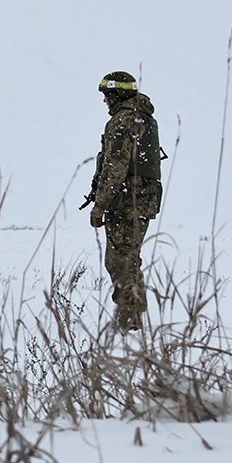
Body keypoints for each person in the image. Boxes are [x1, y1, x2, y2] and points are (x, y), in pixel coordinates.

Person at [88, 72, 163, 332]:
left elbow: (114, 169)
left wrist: (100, 206)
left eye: (108, 95)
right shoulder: (144, 117)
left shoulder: (123, 121)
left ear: (118, 94)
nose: (105, 101)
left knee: (120, 261)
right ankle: (133, 318)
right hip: (143, 202)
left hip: (126, 202)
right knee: (130, 259)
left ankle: (129, 321)